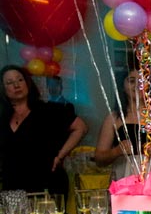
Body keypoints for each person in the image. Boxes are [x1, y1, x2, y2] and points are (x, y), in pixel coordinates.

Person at [0, 65, 87, 196]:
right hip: (13, 187)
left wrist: (61, 155)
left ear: (27, 83)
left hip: (48, 184)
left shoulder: (48, 110)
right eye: (10, 82)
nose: (16, 85)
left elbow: (81, 127)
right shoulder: (2, 118)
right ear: (3, 89)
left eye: (20, 80)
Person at [94, 69, 151, 181]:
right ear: (122, 86)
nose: (137, 86)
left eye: (142, 82)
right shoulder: (114, 118)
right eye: (132, 81)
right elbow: (99, 158)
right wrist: (116, 151)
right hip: (124, 177)